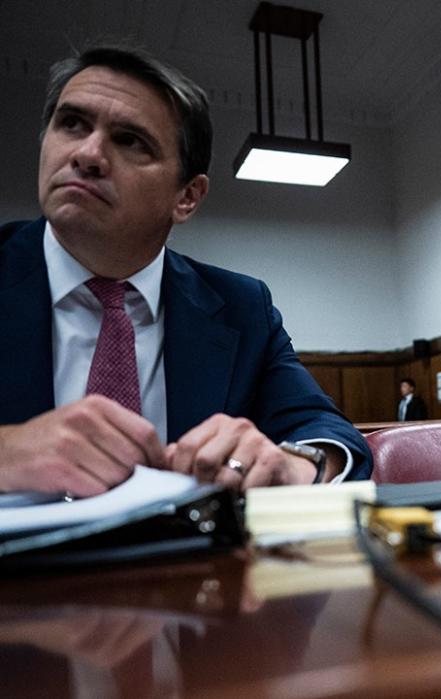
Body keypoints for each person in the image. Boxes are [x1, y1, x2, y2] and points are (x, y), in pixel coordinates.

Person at [0, 44, 371, 497]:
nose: (88, 154)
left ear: (187, 197)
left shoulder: (242, 307)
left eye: (130, 140)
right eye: (71, 123)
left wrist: (292, 464)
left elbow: (325, 432)